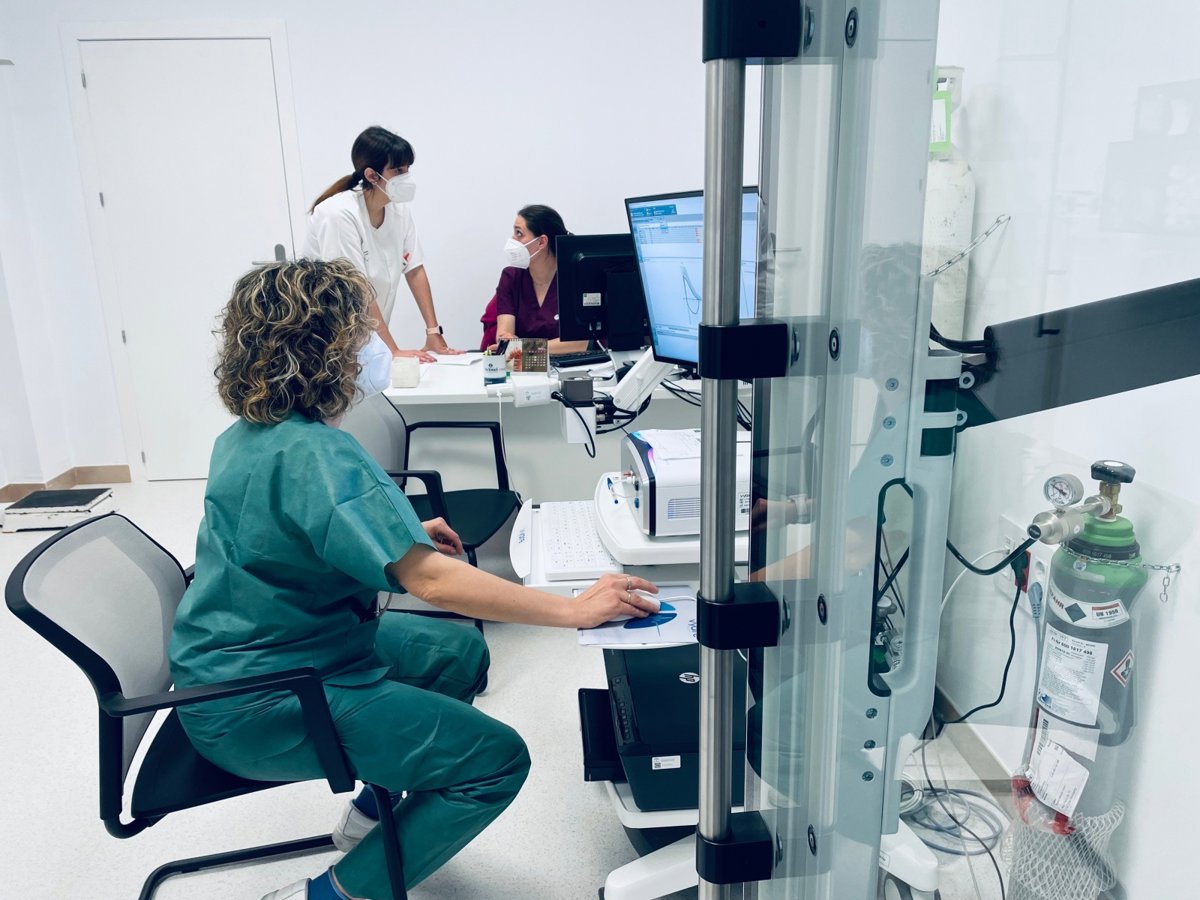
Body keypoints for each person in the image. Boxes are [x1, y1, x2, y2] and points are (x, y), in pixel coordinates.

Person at [168, 259, 659, 900]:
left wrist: (391, 532)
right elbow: (432, 583)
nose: (370, 347)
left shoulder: (249, 435)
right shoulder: (316, 451)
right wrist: (571, 610)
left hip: (249, 654)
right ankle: (331, 895)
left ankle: (373, 814)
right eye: (359, 334)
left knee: (458, 652)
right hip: (265, 696)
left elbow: (280, 536)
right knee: (494, 761)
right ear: (325, 350)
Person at [306, 125, 459, 362]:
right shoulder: (337, 214)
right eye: (398, 170)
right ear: (371, 175)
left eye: (408, 169)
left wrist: (433, 332)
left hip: (364, 338)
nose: (407, 177)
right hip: (323, 341)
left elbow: (415, 270)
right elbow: (357, 289)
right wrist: (392, 350)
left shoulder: (398, 210)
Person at [485, 204, 590, 356]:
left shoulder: (575, 279)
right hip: (522, 365)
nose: (512, 240)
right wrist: (510, 342)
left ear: (541, 242)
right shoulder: (511, 276)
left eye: (519, 233)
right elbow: (504, 336)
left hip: (571, 365)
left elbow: (580, 342)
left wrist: (525, 348)